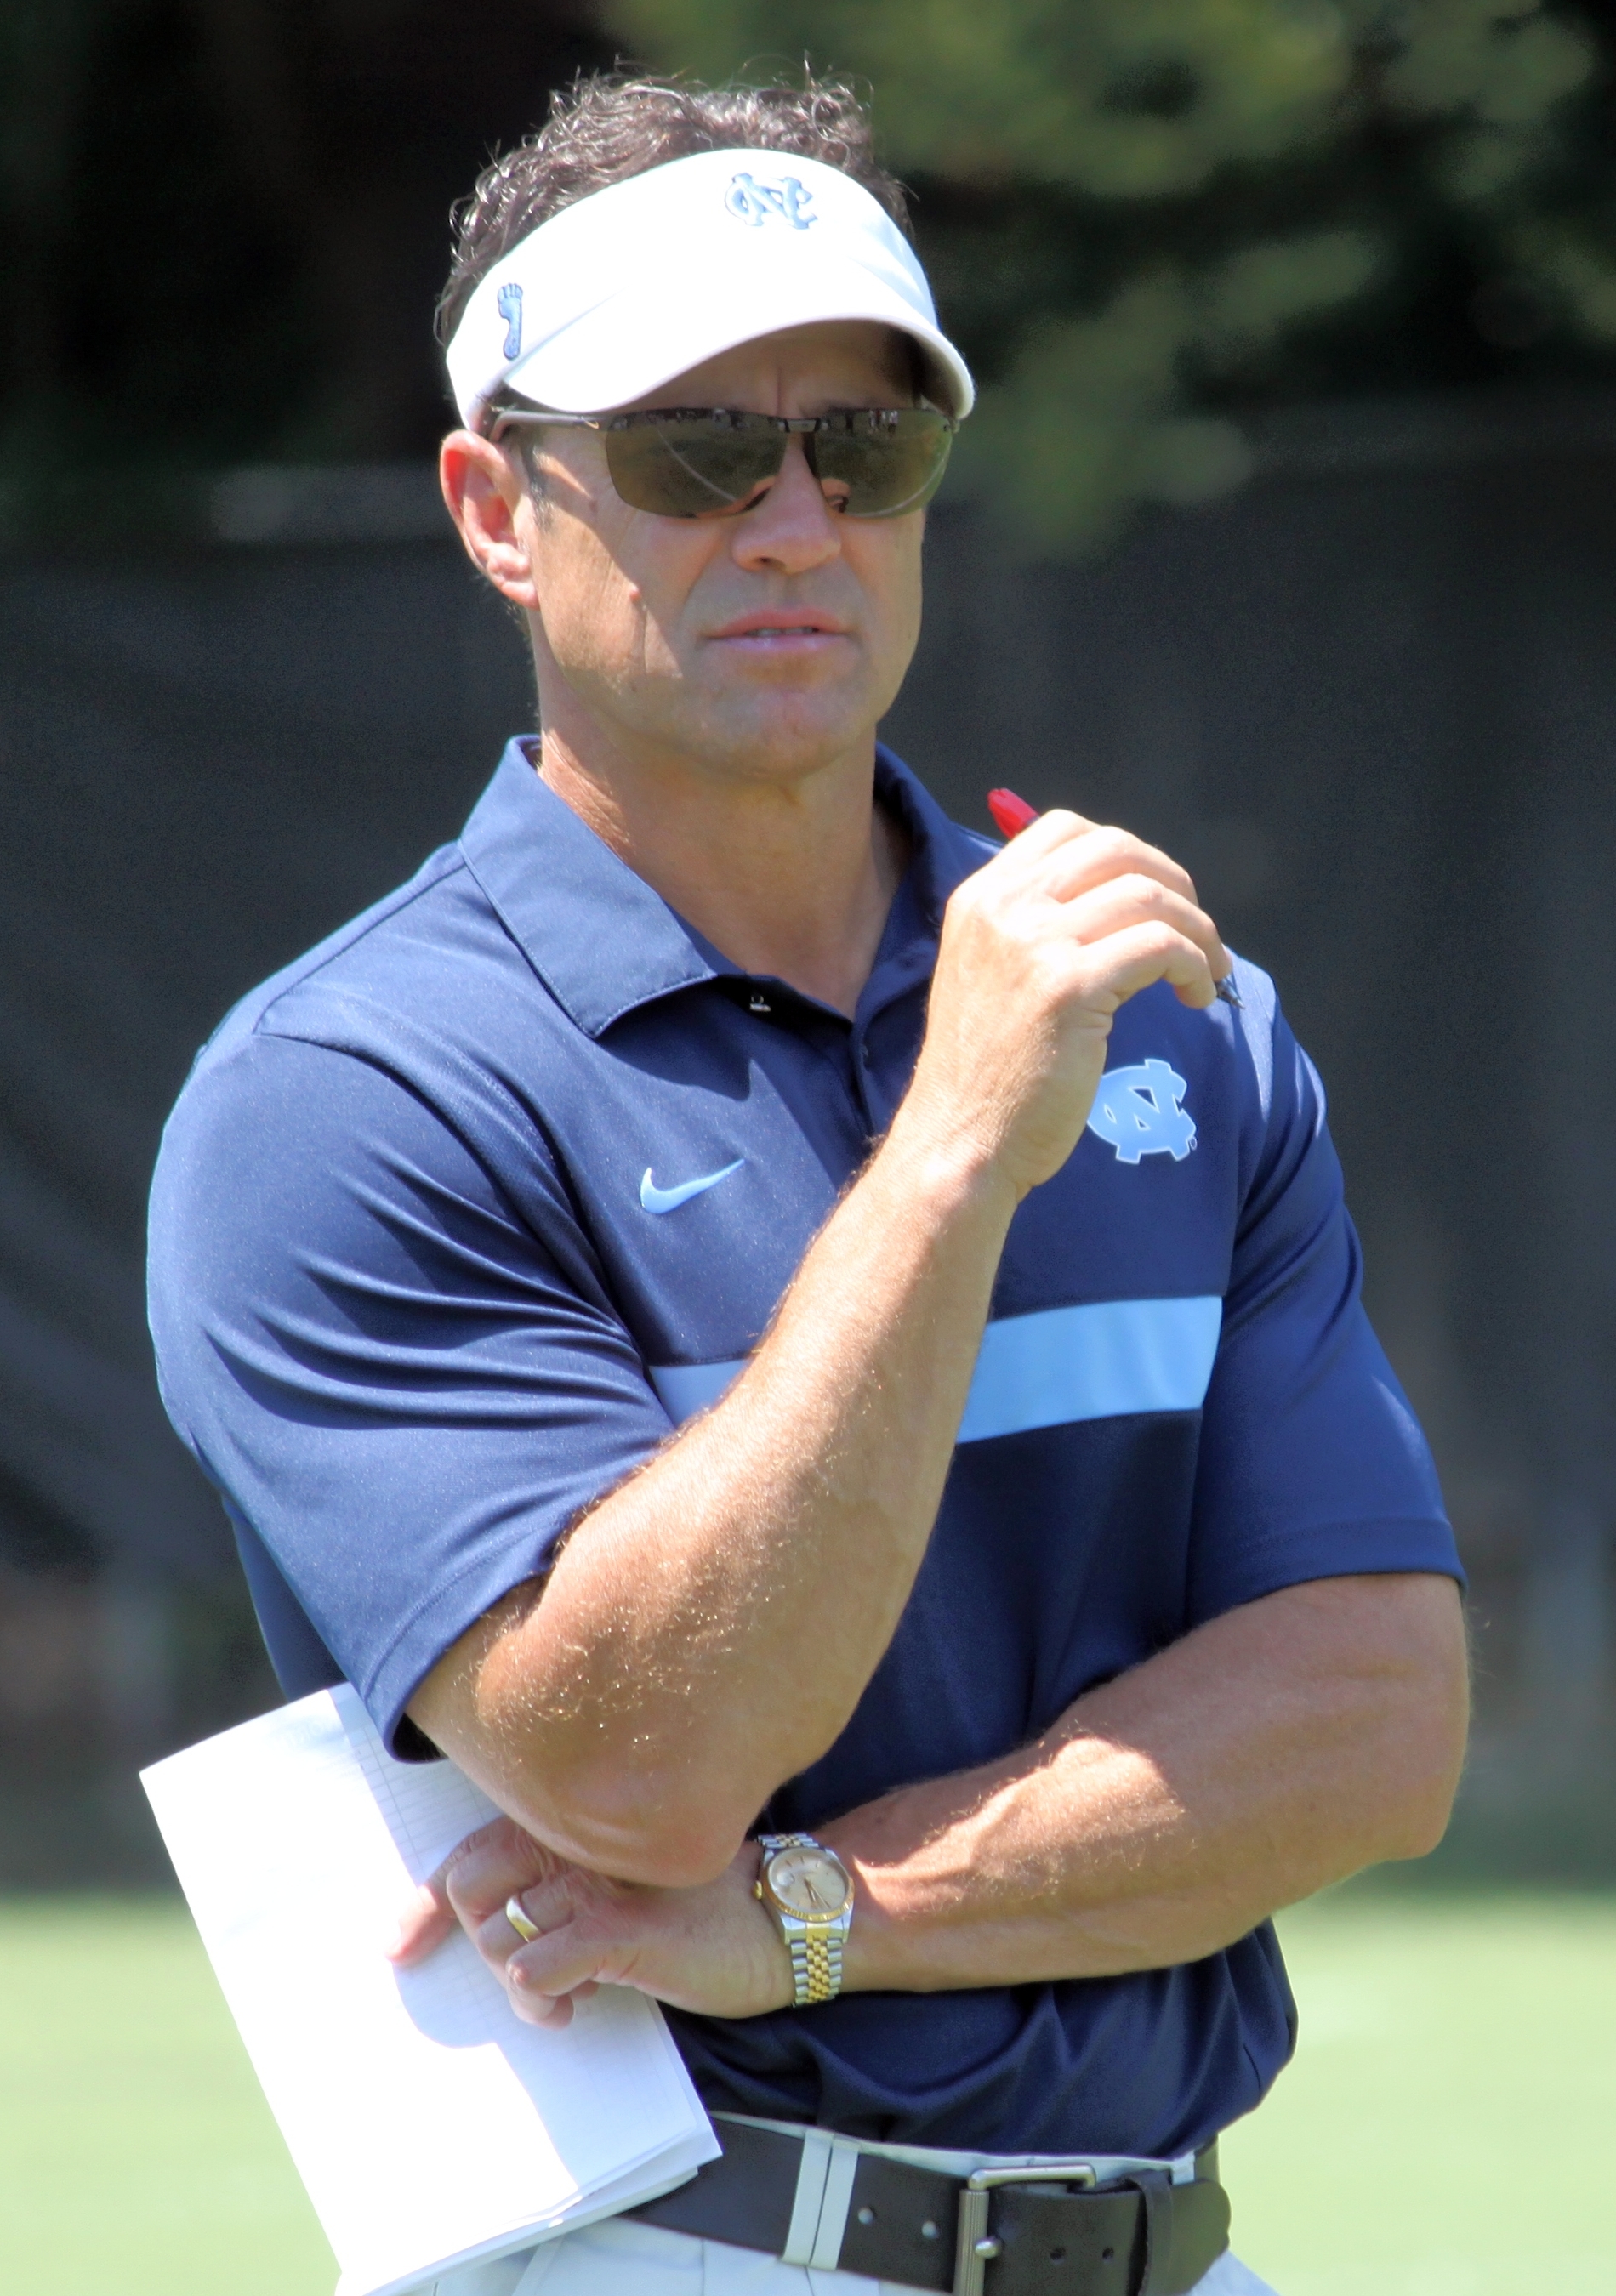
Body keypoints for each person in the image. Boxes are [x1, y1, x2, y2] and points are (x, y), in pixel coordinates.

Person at [146, 73, 1469, 2296]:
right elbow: (642, 1762)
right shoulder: (345, 1093)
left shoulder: (1169, 1017)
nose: (790, 520)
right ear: (494, 508)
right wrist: (953, 1141)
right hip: (664, 2253)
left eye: (863, 447)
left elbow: (1370, 1722)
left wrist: (820, 1911)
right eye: (690, 450)